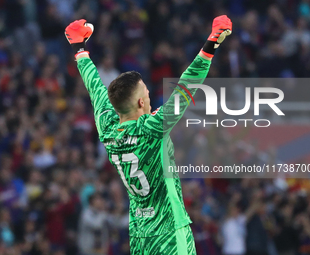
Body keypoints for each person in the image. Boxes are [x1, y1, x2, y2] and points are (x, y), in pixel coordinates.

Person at [64, 15, 232, 254]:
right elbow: (187, 86)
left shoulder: (107, 127)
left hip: (140, 234)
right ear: (141, 101)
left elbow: (95, 88)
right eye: (147, 91)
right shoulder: (152, 129)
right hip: (170, 232)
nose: (151, 94)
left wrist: (79, 49)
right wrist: (212, 43)